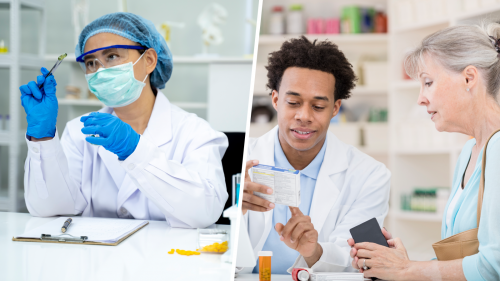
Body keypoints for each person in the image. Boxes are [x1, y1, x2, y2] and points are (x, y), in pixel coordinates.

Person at [19, 12, 228, 228]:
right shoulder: (79, 131)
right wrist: (42, 138)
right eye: (91, 62)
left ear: (149, 60)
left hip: (167, 258)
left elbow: (205, 211)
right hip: (96, 258)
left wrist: (135, 150)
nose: (100, 71)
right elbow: (50, 210)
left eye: (112, 56)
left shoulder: (195, 132)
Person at [349, 23, 500, 281]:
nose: (420, 98)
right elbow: (461, 261)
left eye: (428, 83)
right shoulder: (469, 153)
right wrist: (399, 263)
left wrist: (407, 271)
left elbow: (493, 266)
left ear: (469, 78)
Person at [240, 36, 391, 274]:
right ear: (276, 100)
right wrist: (235, 212)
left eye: (318, 107)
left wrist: (314, 251)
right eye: (293, 102)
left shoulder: (370, 175)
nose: (304, 116)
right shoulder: (241, 160)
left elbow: (357, 262)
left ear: (335, 108)